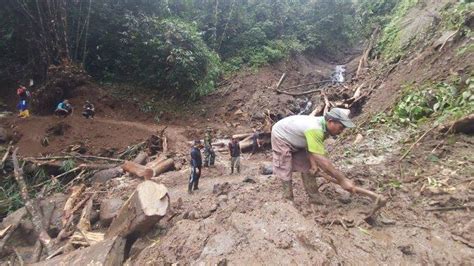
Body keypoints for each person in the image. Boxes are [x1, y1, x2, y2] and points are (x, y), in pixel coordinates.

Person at [271, 108, 387, 217]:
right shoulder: (315, 129)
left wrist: (313, 164)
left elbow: (312, 148)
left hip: (298, 138)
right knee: (285, 167)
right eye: (341, 128)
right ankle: (288, 200)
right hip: (281, 136)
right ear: (331, 121)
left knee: (307, 168)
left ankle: (315, 197)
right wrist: (342, 180)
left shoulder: (324, 128)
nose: (341, 132)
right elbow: (324, 162)